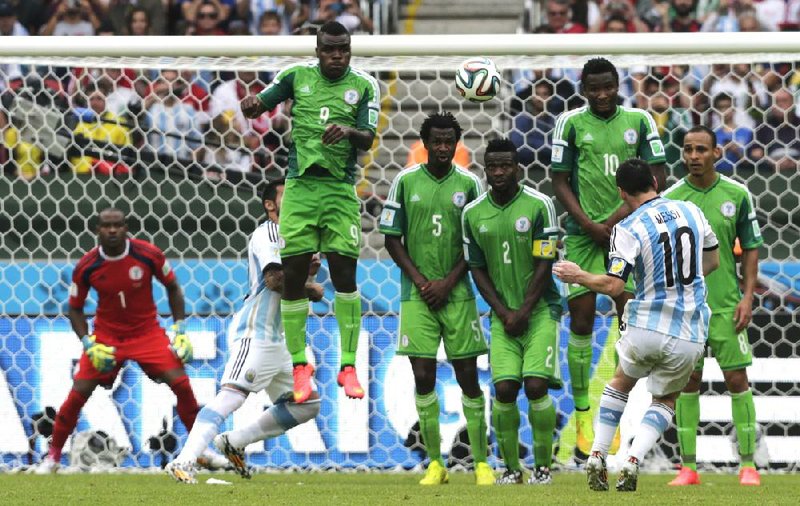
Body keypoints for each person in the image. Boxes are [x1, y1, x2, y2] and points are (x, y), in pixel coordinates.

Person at [553, 158, 720, 492]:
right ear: (656, 183)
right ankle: (633, 460)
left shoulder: (627, 228)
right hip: (689, 329)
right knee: (666, 400)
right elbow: (713, 260)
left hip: (646, 324)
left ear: (621, 192)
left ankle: (598, 455)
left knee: (619, 384)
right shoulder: (691, 211)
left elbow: (615, 286)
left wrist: (579, 275)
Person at [241, 21, 379, 404]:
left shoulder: (365, 84)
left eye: (344, 50)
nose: (337, 56)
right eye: (330, 50)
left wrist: (348, 132)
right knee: (293, 277)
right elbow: (260, 103)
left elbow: (368, 137)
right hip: (299, 188)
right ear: (317, 50)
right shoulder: (294, 77)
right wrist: (252, 105)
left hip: (339, 189)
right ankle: (301, 366)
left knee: (345, 276)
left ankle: (348, 366)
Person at [166, 180, 324, 483]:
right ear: (269, 205)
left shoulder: (302, 234)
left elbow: (307, 268)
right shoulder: (268, 233)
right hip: (255, 331)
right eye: (286, 195)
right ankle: (184, 460)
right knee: (230, 398)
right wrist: (310, 288)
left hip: (282, 338)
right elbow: (275, 280)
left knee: (307, 405)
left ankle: (234, 441)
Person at [551, 57, 667, 459]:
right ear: (582, 88)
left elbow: (658, 176)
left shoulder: (640, 121)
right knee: (581, 318)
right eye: (593, 88)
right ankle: (583, 410)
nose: (602, 95)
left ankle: (625, 412)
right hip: (584, 234)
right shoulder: (569, 123)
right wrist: (586, 222)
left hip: (631, 229)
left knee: (630, 317)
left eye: (608, 87)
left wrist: (617, 219)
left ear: (619, 85)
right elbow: (559, 179)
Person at [37, 208, 200, 473]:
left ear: (126, 228)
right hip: (107, 337)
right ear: (97, 230)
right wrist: (88, 343)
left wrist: (180, 329)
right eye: (106, 226)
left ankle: (199, 452)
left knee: (181, 384)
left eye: (117, 225)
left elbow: (173, 288)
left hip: (147, 333)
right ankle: (52, 457)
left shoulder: (148, 254)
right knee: (78, 393)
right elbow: (74, 308)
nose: (112, 230)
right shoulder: (88, 265)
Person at [379, 112, 492, 486]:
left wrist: (447, 282)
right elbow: (392, 238)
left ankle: (480, 463)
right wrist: (422, 280)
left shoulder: (472, 184)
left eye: (449, 142)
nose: (443, 148)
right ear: (425, 144)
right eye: (437, 142)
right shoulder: (405, 182)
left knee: (468, 378)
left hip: (458, 295)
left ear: (457, 145)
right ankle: (434, 464)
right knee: (423, 377)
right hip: (416, 297)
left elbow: (477, 241)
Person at [663, 126, 763, 487]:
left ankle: (748, 465)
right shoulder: (672, 199)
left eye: (701, 149)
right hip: (686, 310)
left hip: (725, 306)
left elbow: (751, 246)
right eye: (688, 149)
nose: (693, 156)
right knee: (687, 384)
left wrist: (748, 296)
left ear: (716, 154)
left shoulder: (736, 195)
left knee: (737, 380)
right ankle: (688, 468)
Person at [462, 138, 561, 485]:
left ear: (517, 168)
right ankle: (511, 469)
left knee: (535, 386)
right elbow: (476, 268)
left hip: (540, 311)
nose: (499, 172)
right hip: (502, 316)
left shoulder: (539, 205)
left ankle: (544, 467)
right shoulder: (472, 213)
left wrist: (522, 311)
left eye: (506, 166)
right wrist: (504, 312)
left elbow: (545, 261)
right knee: (504, 390)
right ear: (485, 169)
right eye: (493, 166)